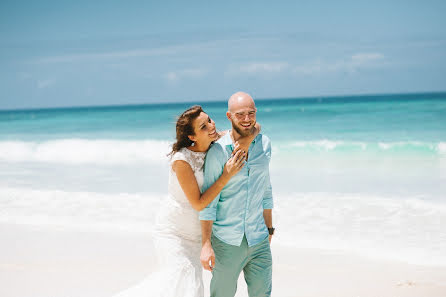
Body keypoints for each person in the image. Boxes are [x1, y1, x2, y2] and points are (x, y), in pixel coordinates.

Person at [113, 105, 259, 297]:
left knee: (192, 289)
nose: (211, 126)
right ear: (192, 137)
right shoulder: (181, 160)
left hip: (197, 235)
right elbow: (198, 203)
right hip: (174, 234)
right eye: (203, 127)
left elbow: (254, 127)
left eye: (209, 120)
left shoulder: (217, 141)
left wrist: (247, 140)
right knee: (181, 282)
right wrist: (226, 175)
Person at [199, 92, 274, 297]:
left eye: (251, 113)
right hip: (226, 242)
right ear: (229, 116)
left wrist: (269, 228)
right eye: (240, 114)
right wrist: (206, 245)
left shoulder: (265, 144)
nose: (247, 119)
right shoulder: (218, 152)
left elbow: (266, 188)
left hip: (258, 238)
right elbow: (209, 202)